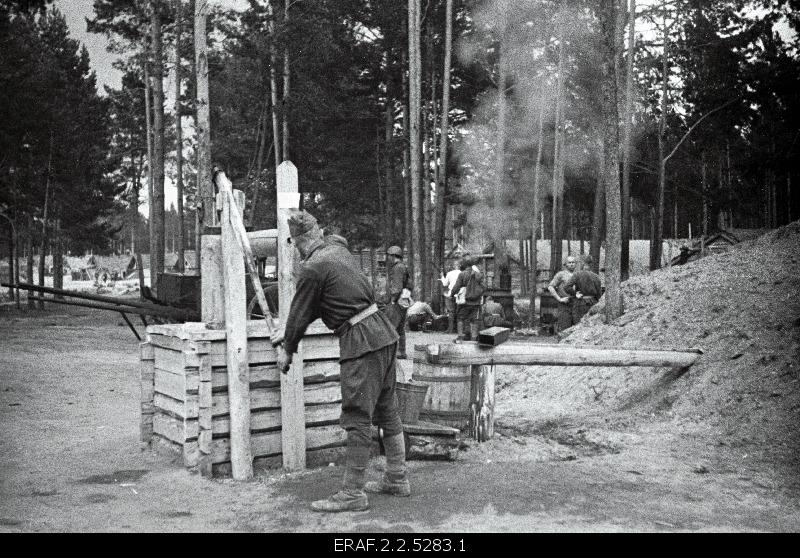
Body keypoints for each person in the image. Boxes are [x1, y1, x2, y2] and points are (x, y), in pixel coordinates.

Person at [272, 210, 410, 513]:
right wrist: (287, 330)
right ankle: (397, 478)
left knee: (358, 416)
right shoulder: (338, 251)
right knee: (387, 409)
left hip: (361, 343)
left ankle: (352, 494)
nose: (297, 252)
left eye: (296, 246)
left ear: (301, 241)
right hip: (384, 333)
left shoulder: (312, 267)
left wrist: (286, 350)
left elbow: (300, 313)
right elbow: (325, 303)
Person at [384, 245, 413, 359]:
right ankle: (401, 351)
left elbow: (396, 287)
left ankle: (393, 352)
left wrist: (392, 300)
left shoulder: (397, 268)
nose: (387, 258)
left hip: (396, 302)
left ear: (393, 256)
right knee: (400, 328)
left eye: (388, 256)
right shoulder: (402, 267)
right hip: (402, 301)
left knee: (391, 327)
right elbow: (410, 285)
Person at [450, 256, 485, 341]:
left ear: (464, 265)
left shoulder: (462, 274)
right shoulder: (478, 274)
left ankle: (460, 337)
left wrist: (452, 294)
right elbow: (484, 287)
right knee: (475, 320)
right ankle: (474, 338)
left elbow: (456, 287)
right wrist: (478, 294)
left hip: (464, 301)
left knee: (460, 318)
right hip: (476, 302)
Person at [563, 254, 603, 324]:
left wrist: (575, 294)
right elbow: (599, 295)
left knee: (578, 325)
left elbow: (566, 287)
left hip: (580, 303)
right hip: (593, 304)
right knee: (591, 326)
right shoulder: (596, 277)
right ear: (591, 264)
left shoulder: (577, 275)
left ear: (582, 263)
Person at [547, 256, 577, 333]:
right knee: (565, 329)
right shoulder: (561, 274)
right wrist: (559, 299)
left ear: (576, 264)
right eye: (569, 262)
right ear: (565, 264)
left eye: (573, 262)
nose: (571, 264)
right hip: (564, 305)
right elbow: (550, 287)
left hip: (576, 304)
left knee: (576, 329)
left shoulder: (578, 274)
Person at [439, 261, 462, 333]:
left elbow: (445, 284)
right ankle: (459, 330)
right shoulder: (462, 273)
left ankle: (450, 329)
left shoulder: (449, 273)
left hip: (450, 294)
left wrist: (442, 276)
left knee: (451, 312)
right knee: (459, 312)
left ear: (453, 266)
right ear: (460, 265)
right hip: (459, 294)